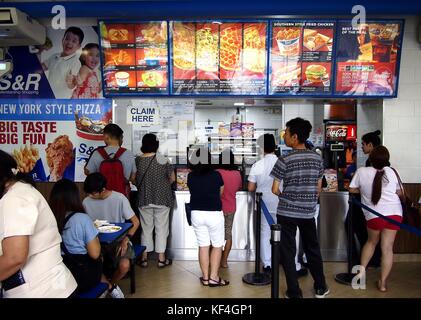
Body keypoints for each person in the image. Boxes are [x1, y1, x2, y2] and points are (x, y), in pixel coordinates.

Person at [0, 150, 77, 298]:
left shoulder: (14, 199)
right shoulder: (21, 191)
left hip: (42, 290)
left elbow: (15, 257)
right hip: (54, 286)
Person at [271, 118, 329, 298]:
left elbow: (275, 189)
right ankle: (320, 287)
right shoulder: (317, 158)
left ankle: (294, 291)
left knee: (288, 252)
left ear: (294, 137)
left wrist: (287, 197)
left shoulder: (284, 159)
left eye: (286, 133)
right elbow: (319, 187)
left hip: (286, 212)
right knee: (312, 248)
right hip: (308, 212)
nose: (284, 136)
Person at [49, 179, 125, 298]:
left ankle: (110, 288)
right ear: (74, 197)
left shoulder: (49, 219)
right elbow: (95, 254)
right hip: (82, 277)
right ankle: (110, 289)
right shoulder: (82, 219)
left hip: (59, 275)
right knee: (98, 259)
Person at [349, 146, 402, 292]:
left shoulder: (362, 171)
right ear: (387, 159)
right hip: (395, 214)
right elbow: (398, 191)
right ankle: (383, 284)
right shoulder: (392, 171)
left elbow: (352, 189)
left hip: (374, 215)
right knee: (387, 248)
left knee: (371, 242)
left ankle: (360, 275)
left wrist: (364, 190)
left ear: (370, 159)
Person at [83, 173, 140, 291]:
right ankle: (107, 287)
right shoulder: (86, 201)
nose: (90, 196)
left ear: (103, 190)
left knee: (124, 266)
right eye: (88, 193)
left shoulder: (119, 198)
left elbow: (135, 222)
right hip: (96, 241)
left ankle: (110, 286)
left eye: (93, 193)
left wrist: (126, 239)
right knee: (92, 264)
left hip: (119, 240)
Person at [187, 148, 229, 287]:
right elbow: (220, 193)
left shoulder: (191, 176)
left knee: (203, 245)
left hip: (197, 214)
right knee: (217, 245)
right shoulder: (216, 175)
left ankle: (205, 278)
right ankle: (214, 277)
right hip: (214, 214)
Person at [135, 134, 175, 268]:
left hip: (144, 198)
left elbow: (133, 178)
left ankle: (144, 258)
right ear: (156, 145)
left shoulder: (138, 160)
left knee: (146, 229)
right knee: (162, 228)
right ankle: (161, 259)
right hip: (162, 198)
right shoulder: (163, 159)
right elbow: (172, 179)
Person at [85, 123, 136, 197]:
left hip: (102, 196)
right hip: (122, 196)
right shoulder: (129, 154)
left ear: (106, 137)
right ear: (120, 137)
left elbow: (89, 173)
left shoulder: (97, 153)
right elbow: (133, 177)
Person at [216, 149, 242, 269]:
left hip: (217, 208)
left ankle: (215, 259)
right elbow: (239, 187)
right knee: (228, 235)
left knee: (216, 235)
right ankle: (224, 261)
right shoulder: (237, 174)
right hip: (231, 207)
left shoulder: (216, 172)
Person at [42, 26, 84, 98]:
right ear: (62, 40)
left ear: (78, 46)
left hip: (61, 100)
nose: (69, 42)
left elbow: (72, 86)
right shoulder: (54, 56)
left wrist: (70, 82)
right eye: (67, 39)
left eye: (74, 41)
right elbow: (42, 67)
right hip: (48, 96)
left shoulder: (75, 62)